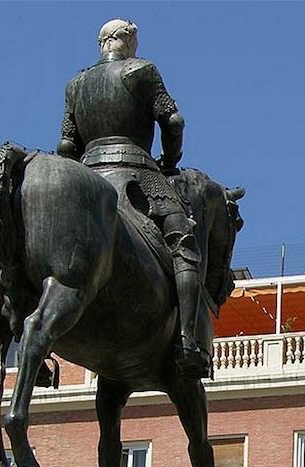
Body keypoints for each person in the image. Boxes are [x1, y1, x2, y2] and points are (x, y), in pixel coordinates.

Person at [58, 19, 208, 377]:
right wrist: (170, 162)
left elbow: (66, 144)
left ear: (102, 44)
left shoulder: (76, 84)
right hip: (139, 174)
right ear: (130, 44)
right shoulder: (143, 71)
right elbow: (173, 121)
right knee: (184, 242)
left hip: (87, 177)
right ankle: (188, 340)